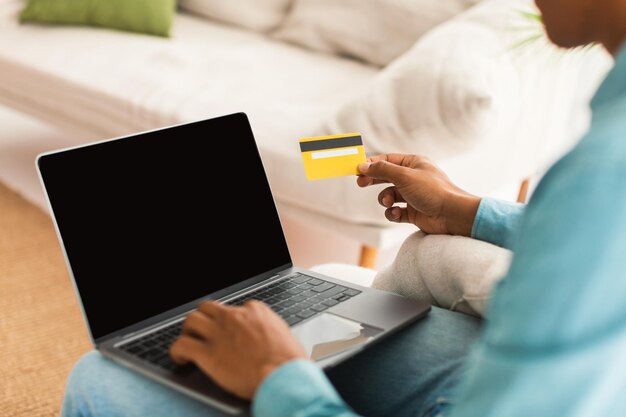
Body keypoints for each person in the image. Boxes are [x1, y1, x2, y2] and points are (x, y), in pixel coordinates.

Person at [61, 0, 626, 415]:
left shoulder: (602, 174)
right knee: (337, 297)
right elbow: (586, 251)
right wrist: (464, 210)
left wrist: (278, 377)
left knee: (99, 379)